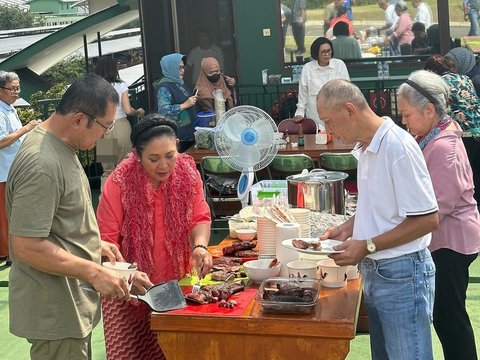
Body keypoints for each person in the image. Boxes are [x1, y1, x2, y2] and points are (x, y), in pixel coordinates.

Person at [6, 74, 151, 359]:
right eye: (105, 126)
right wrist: (95, 271)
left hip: (68, 305)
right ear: (78, 119)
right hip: (55, 309)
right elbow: (26, 245)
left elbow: (58, 222)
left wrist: (95, 245)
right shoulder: (42, 163)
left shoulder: (63, 145)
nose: (107, 135)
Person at [318, 79, 439, 359]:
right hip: (378, 268)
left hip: (402, 270)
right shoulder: (368, 145)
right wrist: (348, 228)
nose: (328, 130)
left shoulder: (397, 146)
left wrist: (367, 245)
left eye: (329, 121)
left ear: (350, 110)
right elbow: (381, 203)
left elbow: (427, 219)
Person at [97, 114, 212, 360]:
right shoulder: (118, 183)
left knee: (174, 350)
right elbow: (105, 244)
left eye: (170, 156)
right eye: (153, 159)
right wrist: (128, 273)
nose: (164, 166)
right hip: (126, 289)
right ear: (137, 156)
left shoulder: (187, 172)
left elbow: (200, 215)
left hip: (173, 283)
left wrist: (200, 246)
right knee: (130, 353)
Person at [397, 69, 480, 360]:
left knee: (450, 318)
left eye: (407, 115)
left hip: (451, 242)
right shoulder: (436, 134)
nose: (404, 122)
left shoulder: (444, 146)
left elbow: (438, 207)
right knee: (448, 316)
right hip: (447, 238)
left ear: (429, 110)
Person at [0, 71, 38, 267]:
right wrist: (26, 128)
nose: (16, 92)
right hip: (4, 171)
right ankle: (8, 254)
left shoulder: (9, 108)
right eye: (12, 89)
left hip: (11, 169)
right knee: (6, 213)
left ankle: (6, 251)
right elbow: (1, 140)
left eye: (18, 88)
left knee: (9, 212)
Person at [94, 56, 145, 189]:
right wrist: (138, 111)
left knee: (108, 171)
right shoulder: (121, 85)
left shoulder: (94, 87)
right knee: (125, 167)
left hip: (103, 129)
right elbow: (128, 110)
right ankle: (125, 201)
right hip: (122, 126)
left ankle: (105, 203)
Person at [294, 37, 350, 130]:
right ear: (316, 53)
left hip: (337, 117)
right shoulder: (308, 68)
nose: (327, 54)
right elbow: (303, 94)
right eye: (323, 52)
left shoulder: (339, 65)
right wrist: (299, 112)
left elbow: (347, 90)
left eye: (329, 51)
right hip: (315, 119)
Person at [155, 53, 198, 153]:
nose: (182, 71)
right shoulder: (164, 87)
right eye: (179, 68)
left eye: (183, 68)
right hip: (177, 137)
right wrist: (185, 105)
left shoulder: (179, 83)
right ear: (170, 68)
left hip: (188, 134)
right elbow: (163, 110)